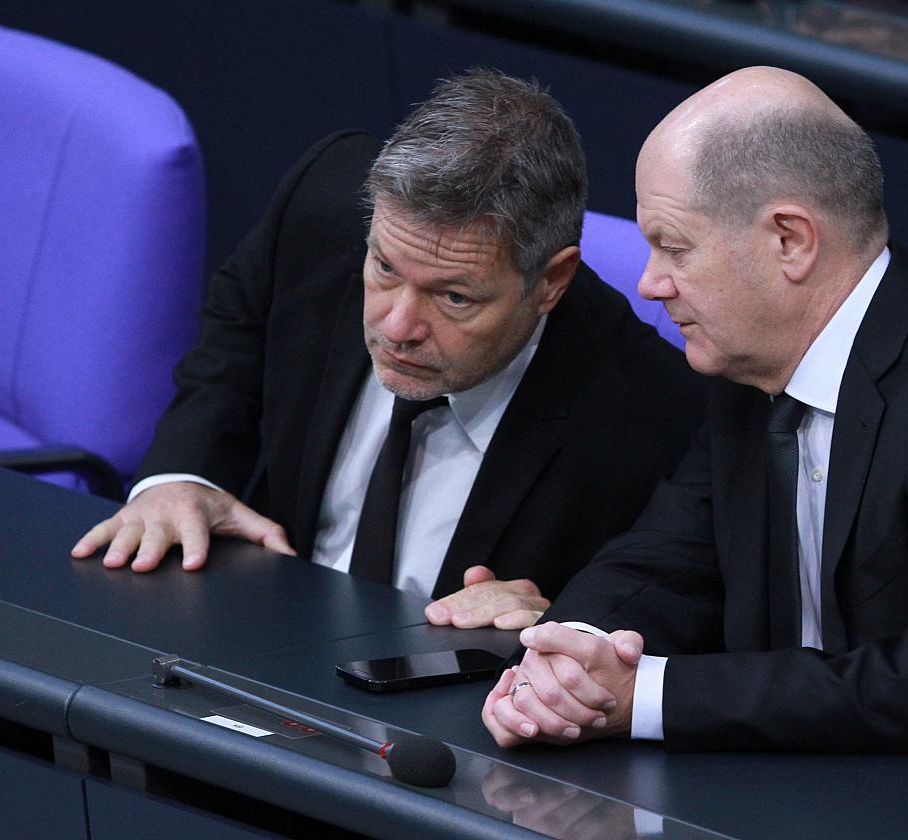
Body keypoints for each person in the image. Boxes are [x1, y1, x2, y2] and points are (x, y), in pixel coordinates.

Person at [482, 66, 908, 834]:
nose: (651, 283)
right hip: (825, 785)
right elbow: (664, 558)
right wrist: (569, 657)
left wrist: (641, 696)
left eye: (674, 248)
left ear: (790, 240)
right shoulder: (750, 368)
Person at [71, 69, 706, 631]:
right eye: (384, 269)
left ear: (551, 283)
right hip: (257, 629)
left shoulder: (652, 415)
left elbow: (660, 606)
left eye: (454, 297)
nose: (398, 326)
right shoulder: (321, 211)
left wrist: (564, 623)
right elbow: (240, 320)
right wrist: (184, 475)